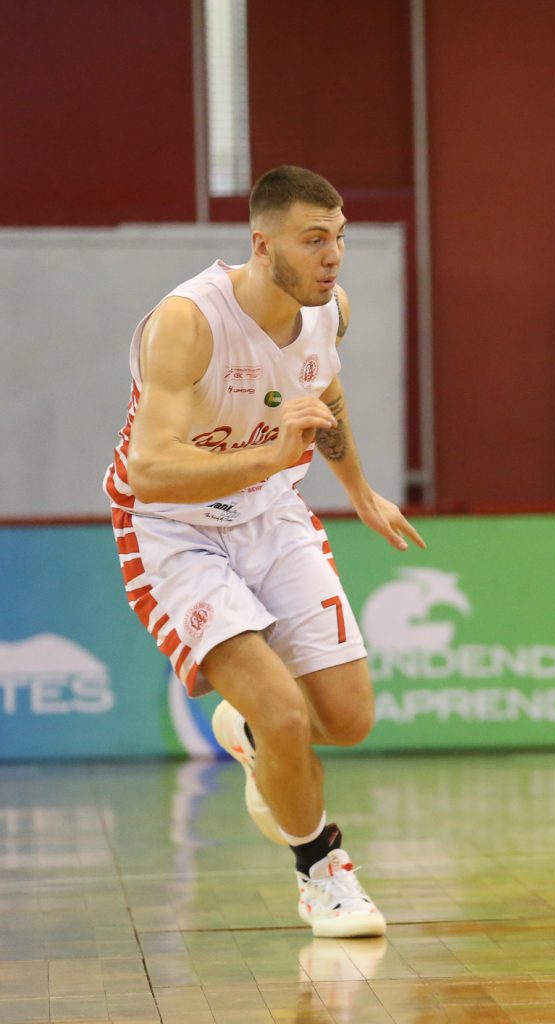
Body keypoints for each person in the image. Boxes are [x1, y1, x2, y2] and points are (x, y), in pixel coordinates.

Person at [103, 165, 423, 936]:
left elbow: (327, 395)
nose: (333, 256)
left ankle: (247, 735)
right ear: (262, 243)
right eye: (314, 240)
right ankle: (323, 873)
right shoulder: (190, 321)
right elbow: (148, 466)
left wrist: (360, 491)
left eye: (339, 238)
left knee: (346, 721)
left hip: (271, 515)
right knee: (283, 714)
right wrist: (268, 458)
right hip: (173, 530)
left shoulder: (328, 311)